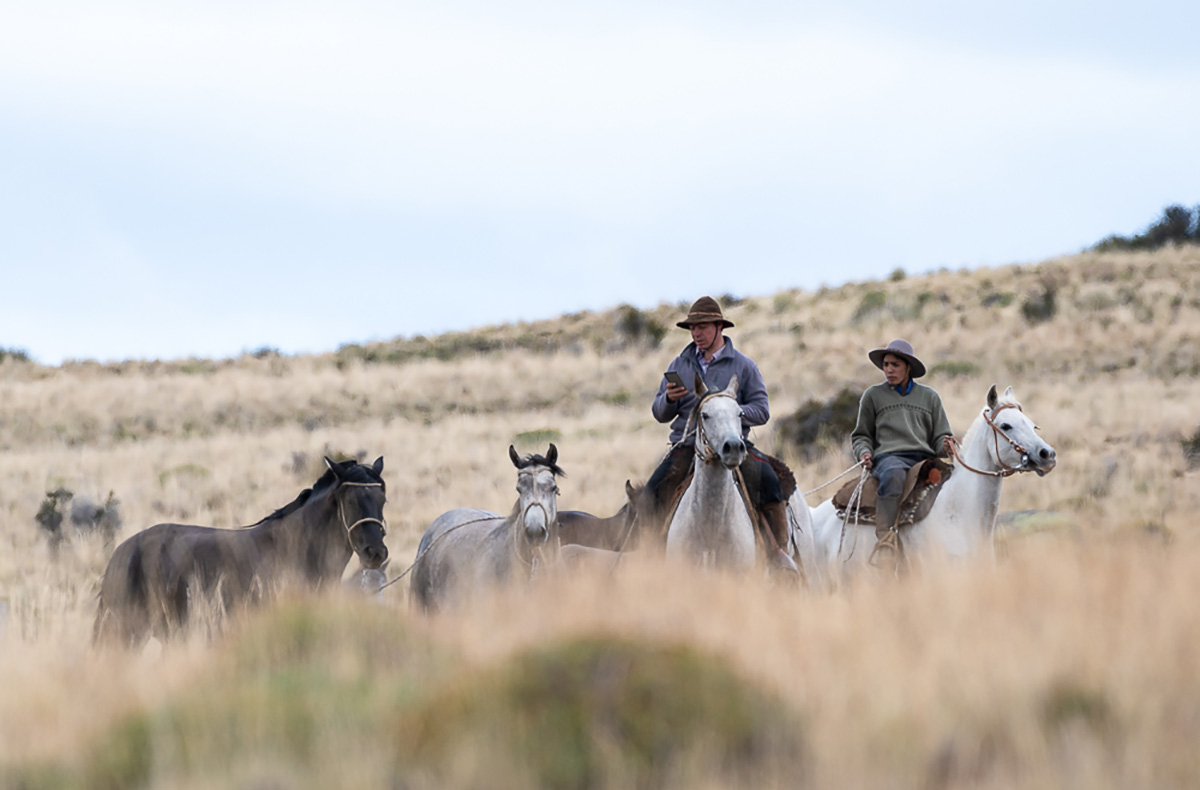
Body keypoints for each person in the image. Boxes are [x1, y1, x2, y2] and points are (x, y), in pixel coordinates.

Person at [649, 296, 798, 574]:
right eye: (692, 328)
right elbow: (659, 413)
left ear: (720, 327)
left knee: (769, 482)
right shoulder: (678, 365)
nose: (696, 333)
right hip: (687, 445)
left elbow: (762, 410)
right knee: (650, 492)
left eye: (703, 327)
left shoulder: (743, 365)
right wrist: (668, 399)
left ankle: (779, 554)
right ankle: (645, 557)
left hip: (732, 443)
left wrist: (728, 411)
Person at [850, 339, 954, 573]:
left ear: (908, 367)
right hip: (890, 458)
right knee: (894, 475)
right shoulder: (872, 396)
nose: (888, 369)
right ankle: (886, 540)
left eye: (895, 365)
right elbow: (861, 436)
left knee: (951, 479)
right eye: (886, 365)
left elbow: (939, 437)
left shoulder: (930, 397)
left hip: (924, 458)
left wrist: (946, 445)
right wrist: (864, 452)